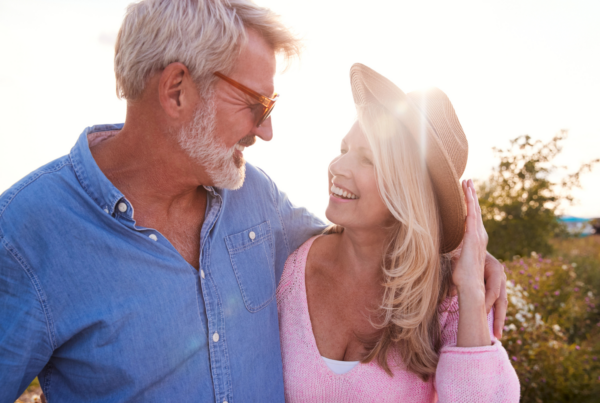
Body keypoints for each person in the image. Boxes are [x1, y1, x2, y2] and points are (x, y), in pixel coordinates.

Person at [0, 1, 507, 402]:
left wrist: (460, 252)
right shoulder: (26, 237)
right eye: (256, 104)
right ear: (177, 91)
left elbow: (372, 239)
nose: (266, 130)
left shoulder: (256, 202)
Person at [277, 64, 520, 402]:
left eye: (368, 160)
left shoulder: (448, 295)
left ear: (409, 191)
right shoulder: (288, 264)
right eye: (345, 149)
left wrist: (471, 292)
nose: (338, 167)